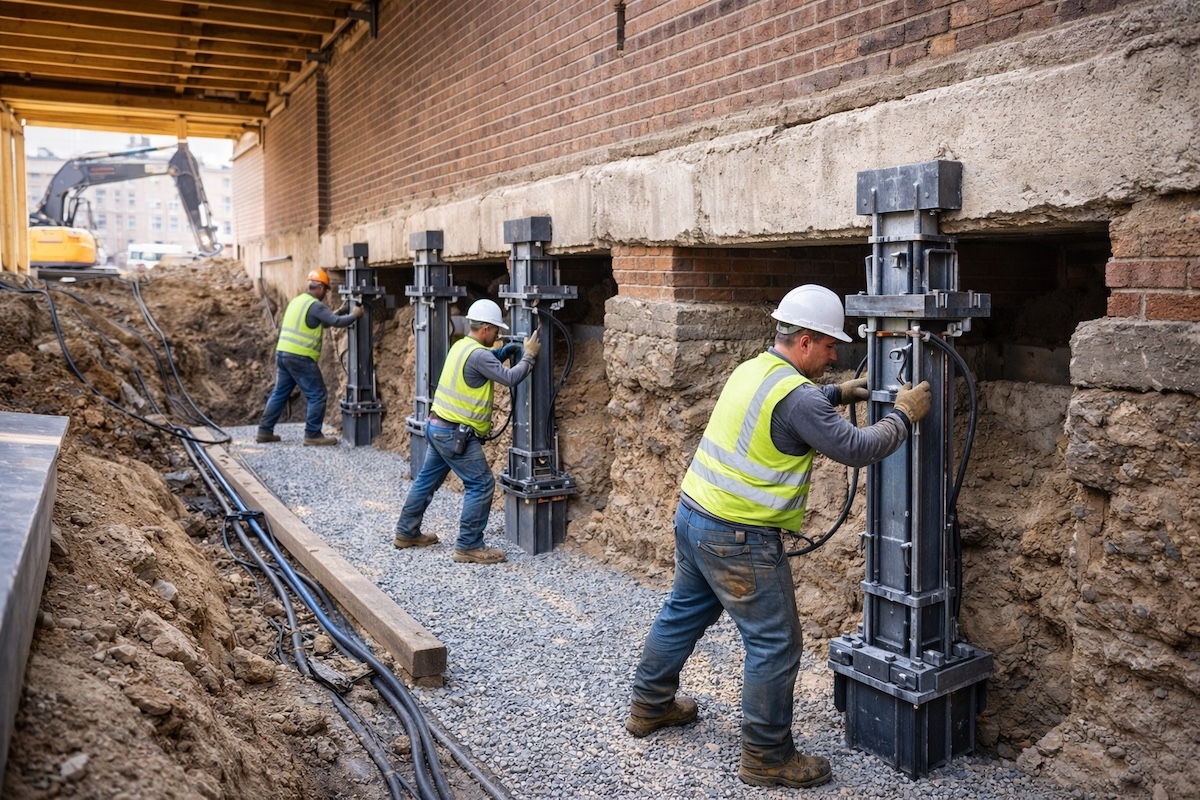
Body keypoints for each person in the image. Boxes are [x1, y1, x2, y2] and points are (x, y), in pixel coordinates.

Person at [625, 284, 931, 789]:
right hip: (739, 538)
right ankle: (766, 755)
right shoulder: (798, 396)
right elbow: (855, 448)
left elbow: (790, 407)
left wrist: (838, 392)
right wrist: (903, 415)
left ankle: (649, 706)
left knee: (682, 613)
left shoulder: (755, 368)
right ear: (806, 341)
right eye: (832, 346)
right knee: (775, 644)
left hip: (695, 516)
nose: (837, 355)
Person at [393, 298, 542, 564]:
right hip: (454, 435)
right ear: (485, 328)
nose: (497, 336)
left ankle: (406, 533)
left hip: (436, 427)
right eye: (496, 331)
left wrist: (502, 353)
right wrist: (529, 356)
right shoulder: (479, 354)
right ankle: (469, 546)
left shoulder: (461, 346)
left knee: (426, 480)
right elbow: (509, 378)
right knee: (481, 483)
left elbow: (479, 367)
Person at [256, 268, 363, 446]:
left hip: (283, 354)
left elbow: (318, 322)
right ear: (320, 287)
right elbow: (335, 323)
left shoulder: (297, 301)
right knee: (317, 394)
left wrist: (341, 312)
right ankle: (312, 434)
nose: (326, 294)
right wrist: (355, 315)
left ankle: (264, 431)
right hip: (300, 357)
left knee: (280, 393)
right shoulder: (315, 305)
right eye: (326, 290)